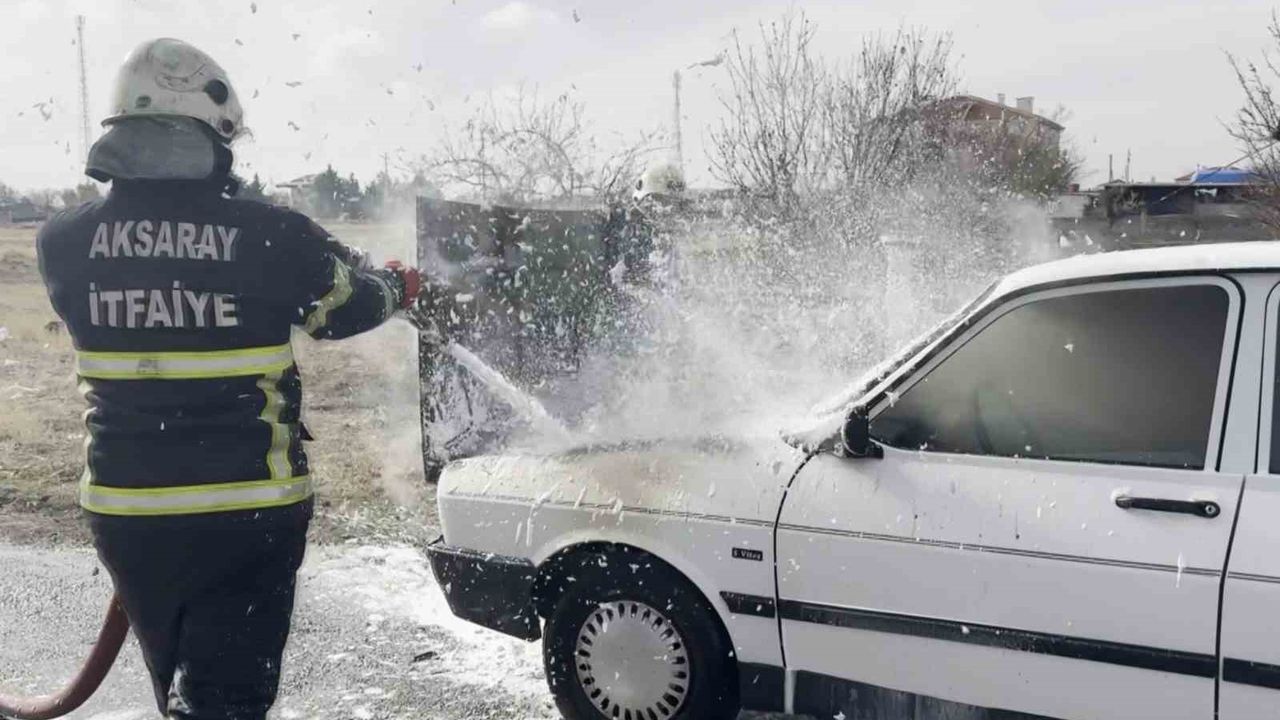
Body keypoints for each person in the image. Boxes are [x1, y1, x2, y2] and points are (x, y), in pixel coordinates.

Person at [36, 38, 422, 720]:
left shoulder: (61, 241)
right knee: (223, 703)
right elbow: (346, 308)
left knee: (184, 694)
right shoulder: (269, 234)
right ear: (211, 136)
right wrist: (396, 285)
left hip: (129, 516)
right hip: (245, 514)